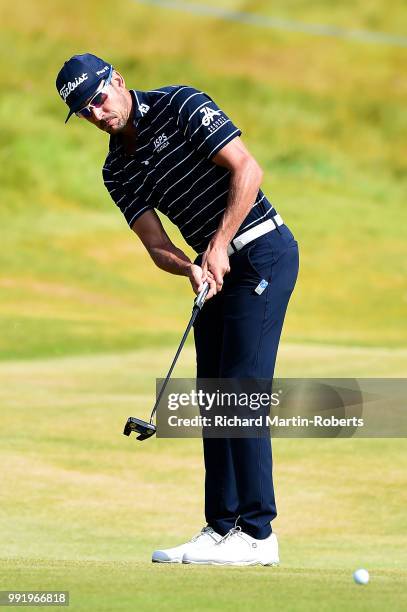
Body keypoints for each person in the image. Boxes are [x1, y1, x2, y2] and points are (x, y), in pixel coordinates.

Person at [56, 53, 299, 566]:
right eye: (85, 111)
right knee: (213, 395)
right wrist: (189, 266)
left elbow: (247, 169)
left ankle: (258, 535)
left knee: (239, 389)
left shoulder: (180, 103)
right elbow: (154, 244)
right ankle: (222, 527)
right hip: (213, 272)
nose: (98, 114)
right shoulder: (116, 169)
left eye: (99, 98)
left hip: (261, 252)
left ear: (117, 80)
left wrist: (218, 243)